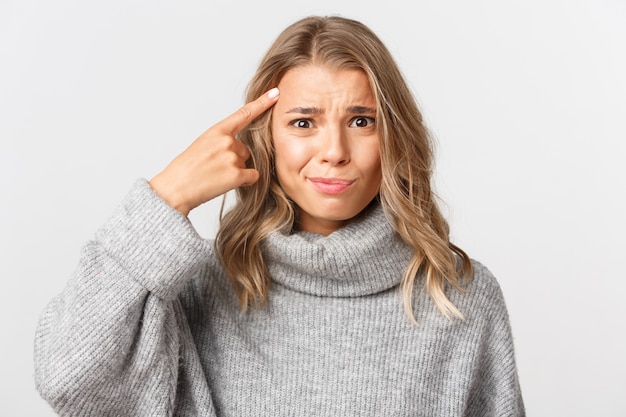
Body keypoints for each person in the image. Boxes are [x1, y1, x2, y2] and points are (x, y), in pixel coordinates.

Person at [34, 15, 525, 416]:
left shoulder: (461, 296)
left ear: (394, 137)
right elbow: (68, 378)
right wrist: (167, 197)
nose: (334, 150)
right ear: (266, 138)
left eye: (361, 121)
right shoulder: (195, 287)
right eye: (303, 122)